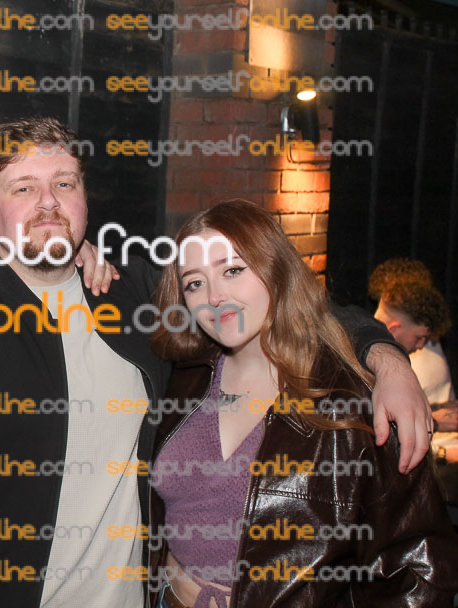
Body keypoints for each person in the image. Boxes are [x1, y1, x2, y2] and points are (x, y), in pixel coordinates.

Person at [0, 118, 434, 607]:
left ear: (84, 200)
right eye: (24, 188)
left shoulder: (134, 300)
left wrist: (386, 359)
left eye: (64, 183)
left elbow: (281, 302)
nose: (49, 203)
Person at [147, 200, 458, 607]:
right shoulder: (183, 375)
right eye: (194, 283)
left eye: (233, 270)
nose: (214, 296)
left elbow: (417, 567)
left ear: (275, 269)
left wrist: (389, 360)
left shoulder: (351, 401)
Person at [368, 258, 456, 431]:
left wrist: (438, 408)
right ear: (393, 328)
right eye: (419, 338)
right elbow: (375, 428)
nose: (422, 345)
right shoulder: (370, 362)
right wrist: (436, 423)